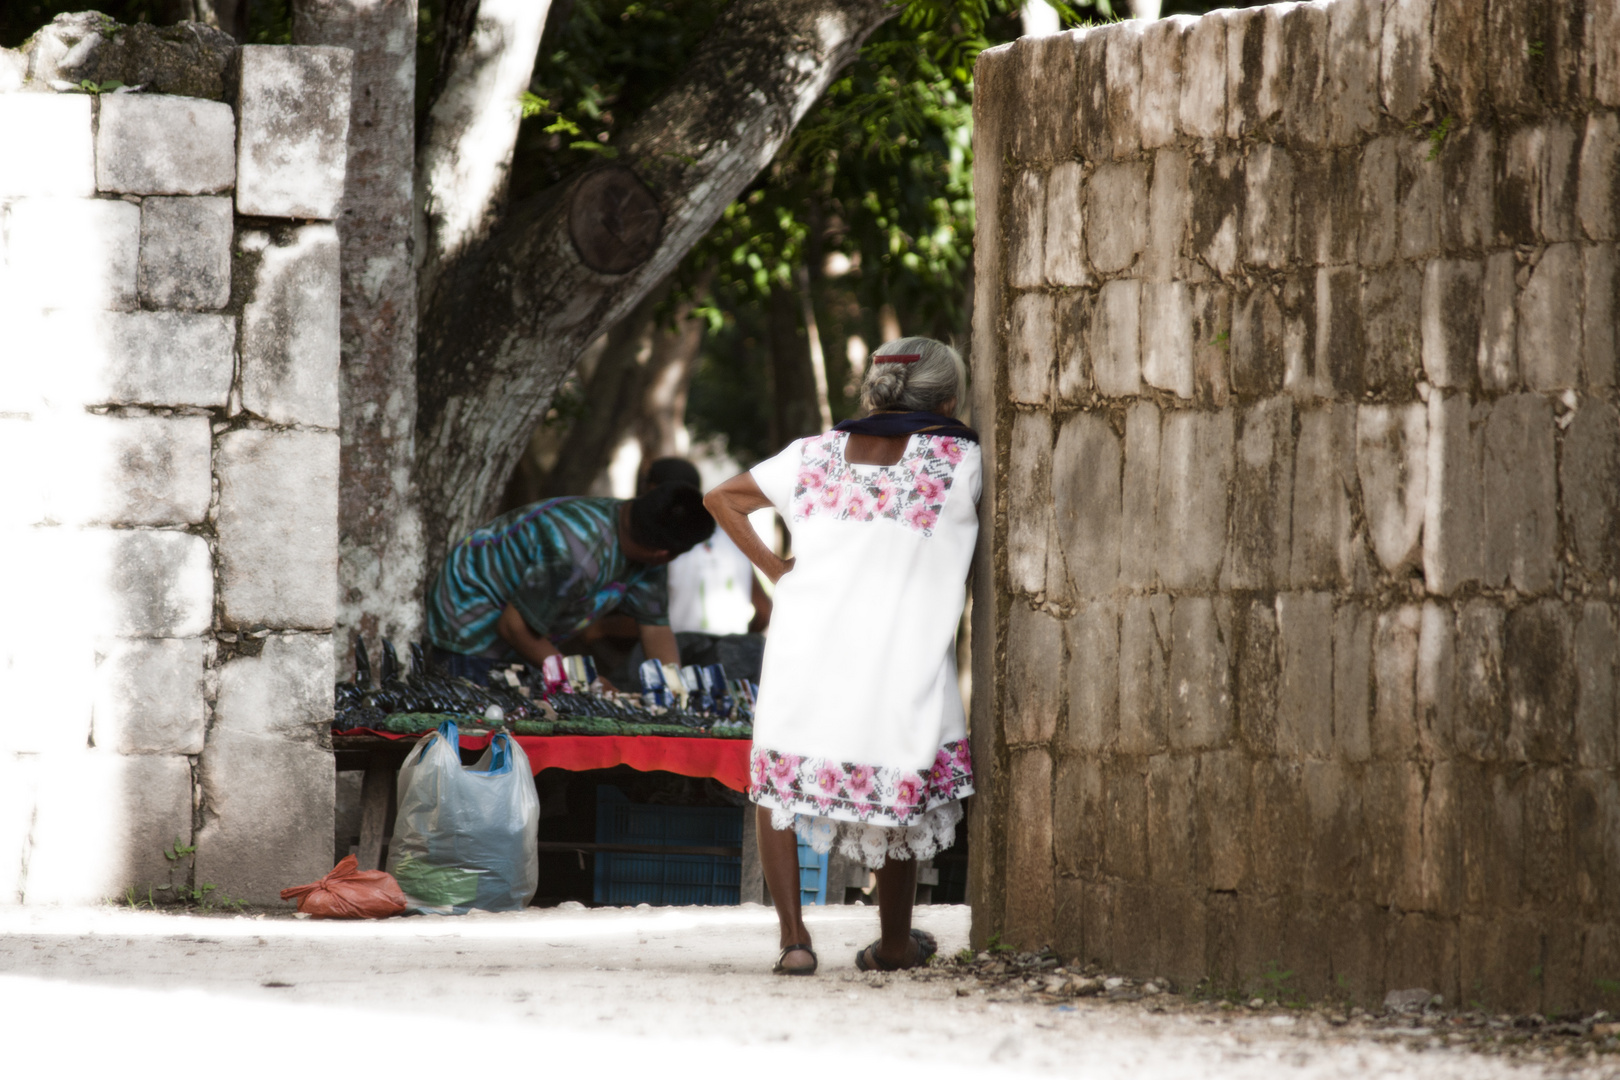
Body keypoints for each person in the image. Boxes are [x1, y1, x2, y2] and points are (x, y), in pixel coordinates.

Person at [703, 337, 980, 975]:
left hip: (807, 640)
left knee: (778, 781)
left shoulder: (815, 453)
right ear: (947, 398)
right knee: (900, 781)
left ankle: (795, 943)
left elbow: (722, 497)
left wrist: (780, 572)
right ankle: (891, 946)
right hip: (899, 650)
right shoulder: (959, 460)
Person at [425, 484, 715, 686]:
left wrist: (675, 691)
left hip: (518, 640)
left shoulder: (644, 537)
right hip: (468, 636)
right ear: (663, 554)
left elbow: (656, 627)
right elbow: (514, 627)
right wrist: (581, 680)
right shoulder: (580, 553)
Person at [643, 457, 772, 636]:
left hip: (677, 654)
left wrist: (602, 628)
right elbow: (765, 611)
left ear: (655, 491)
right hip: (729, 656)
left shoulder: (659, 543)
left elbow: (646, 620)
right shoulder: (730, 536)